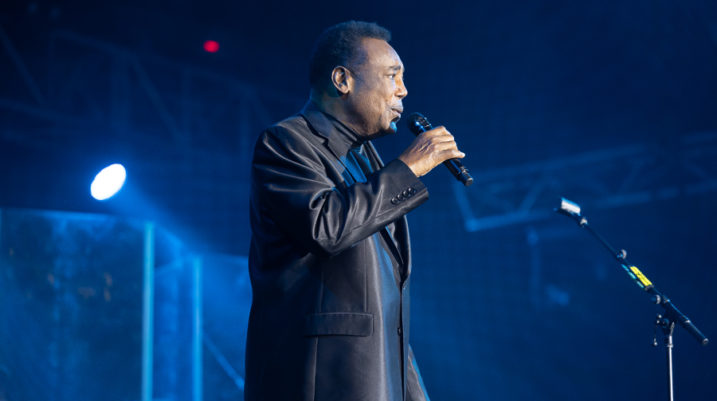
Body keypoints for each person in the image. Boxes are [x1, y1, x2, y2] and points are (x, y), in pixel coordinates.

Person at [245, 20, 464, 401]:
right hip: (319, 384)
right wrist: (409, 167)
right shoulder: (285, 142)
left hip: (375, 384)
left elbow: (388, 318)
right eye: (392, 75)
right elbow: (325, 227)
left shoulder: (366, 159)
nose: (403, 90)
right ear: (342, 80)